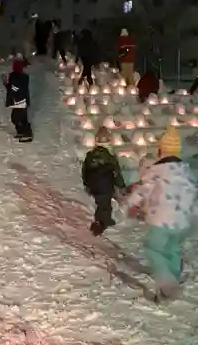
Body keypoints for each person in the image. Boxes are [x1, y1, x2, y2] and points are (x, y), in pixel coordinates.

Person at [125, 126, 198, 302]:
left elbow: (143, 190)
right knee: (171, 248)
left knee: (154, 249)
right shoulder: (185, 171)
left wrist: (130, 203)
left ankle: (167, 284)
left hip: (162, 219)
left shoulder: (157, 171)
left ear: (161, 150)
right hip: (181, 222)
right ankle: (173, 278)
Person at [81, 126, 126, 236]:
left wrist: (87, 184)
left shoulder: (90, 155)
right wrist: (121, 185)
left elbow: (84, 171)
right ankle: (102, 223)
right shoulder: (110, 156)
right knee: (105, 205)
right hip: (105, 185)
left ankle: (101, 220)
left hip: (93, 184)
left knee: (100, 203)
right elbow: (116, 172)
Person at [3, 57, 33, 142]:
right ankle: (21, 132)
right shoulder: (13, 75)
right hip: (15, 101)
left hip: (21, 101)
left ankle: (27, 133)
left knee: (19, 118)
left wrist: (13, 88)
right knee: (16, 118)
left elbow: (20, 89)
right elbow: (11, 88)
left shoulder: (24, 77)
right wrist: (6, 83)